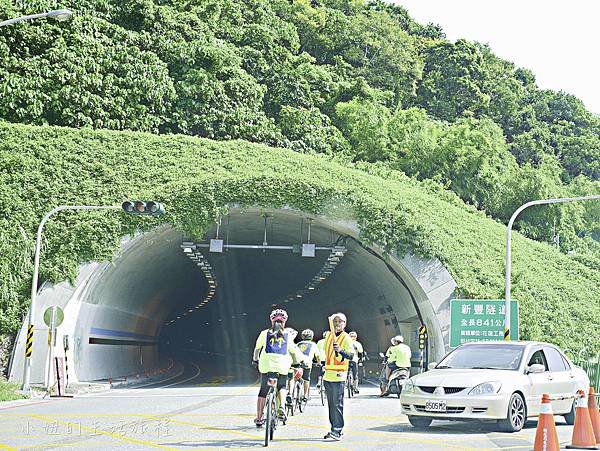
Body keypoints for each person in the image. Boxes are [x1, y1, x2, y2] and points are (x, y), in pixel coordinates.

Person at [253, 309, 303, 426]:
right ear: (284, 322)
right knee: (282, 386)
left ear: (272, 321)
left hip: (266, 366)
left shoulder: (264, 333)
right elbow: (293, 352)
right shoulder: (288, 335)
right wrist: (296, 364)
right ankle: (281, 407)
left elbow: (257, 349)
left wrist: (255, 360)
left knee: (263, 391)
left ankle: (259, 418)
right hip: (282, 366)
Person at [323, 312, 354, 441]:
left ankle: (338, 429)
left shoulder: (346, 338)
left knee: (337, 403)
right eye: (335, 321)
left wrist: (340, 350)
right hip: (328, 375)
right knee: (331, 404)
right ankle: (333, 429)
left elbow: (351, 356)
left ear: (344, 324)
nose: (337, 324)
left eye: (340, 321)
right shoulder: (329, 336)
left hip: (339, 375)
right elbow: (325, 352)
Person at [297, 329, 321, 402]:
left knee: (295, 378)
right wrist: (319, 363)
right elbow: (318, 356)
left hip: (297, 363)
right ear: (312, 337)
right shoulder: (313, 344)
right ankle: (305, 395)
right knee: (306, 380)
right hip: (307, 363)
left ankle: (291, 392)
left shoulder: (298, 344)